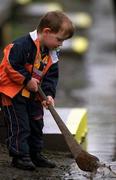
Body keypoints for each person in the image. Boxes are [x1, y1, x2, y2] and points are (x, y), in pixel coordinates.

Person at [0, 11, 74, 170]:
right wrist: (26, 80)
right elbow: (10, 65)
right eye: (59, 39)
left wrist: (48, 94)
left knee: (36, 123)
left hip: (34, 94)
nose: (61, 44)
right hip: (13, 93)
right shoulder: (21, 45)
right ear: (47, 32)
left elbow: (51, 77)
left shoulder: (52, 53)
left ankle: (35, 154)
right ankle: (20, 156)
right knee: (21, 125)